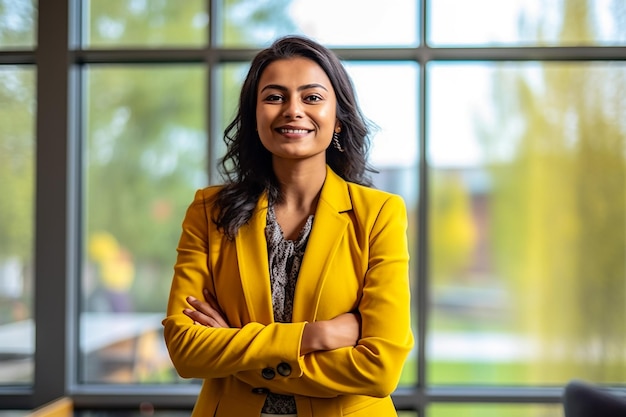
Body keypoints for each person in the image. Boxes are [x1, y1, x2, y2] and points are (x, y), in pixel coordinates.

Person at [162, 35, 414, 417]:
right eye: (274, 97)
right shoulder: (208, 211)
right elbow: (185, 350)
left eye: (311, 97)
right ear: (255, 115)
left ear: (339, 119)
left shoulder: (379, 214)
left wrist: (237, 354)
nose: (292, 110)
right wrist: (317, 335)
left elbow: (380, 369)